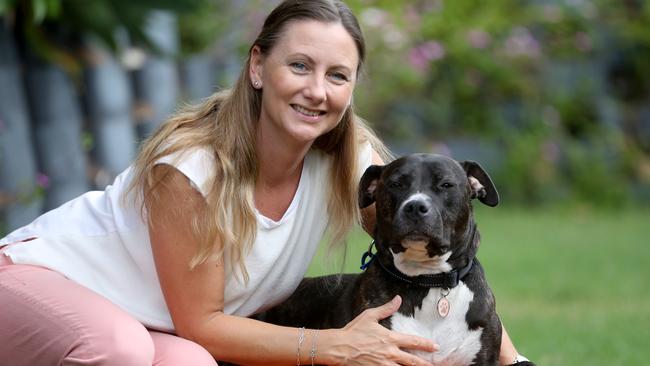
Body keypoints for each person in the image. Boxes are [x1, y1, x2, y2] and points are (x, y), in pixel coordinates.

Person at [0, 0, 531, 365]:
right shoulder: (191, 168)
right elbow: (202, 323)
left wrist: (510, 356)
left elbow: (440, 265)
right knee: (116, 350)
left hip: (152, 325)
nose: (317, 91)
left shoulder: (354, 163)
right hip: (40, 280)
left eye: (337, 75)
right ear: (258, 66)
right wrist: (330, 347)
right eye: (299, 65)